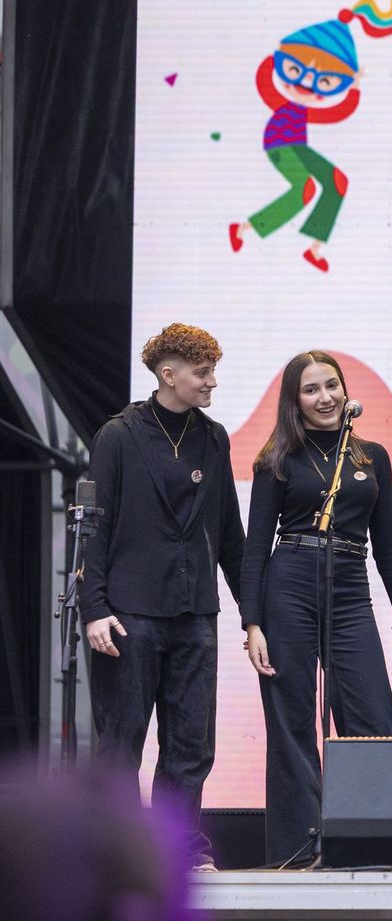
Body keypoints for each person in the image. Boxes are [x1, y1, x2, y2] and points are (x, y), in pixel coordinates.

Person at [80, 323, 245, 870]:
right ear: (168, 375)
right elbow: (95, 528)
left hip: (194, 612)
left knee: (190, 745)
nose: (212, 382)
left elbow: (230, 534)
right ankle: (121, 856)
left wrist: (253, 614)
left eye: (213, 372)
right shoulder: (118, 437)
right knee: (121, 741)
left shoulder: (214, 438)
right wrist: (94, 608)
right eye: (203, 373)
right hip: (129, 613)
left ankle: (178, 850)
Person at [239, 350, 392, 865]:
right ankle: (297, 848)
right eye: (311, 389)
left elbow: (390, 548)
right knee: (291, 718)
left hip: (351, 586)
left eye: (331, 385)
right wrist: (252, 623)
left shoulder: (371, 456)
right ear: (294, 401)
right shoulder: (277, 459)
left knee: (371, 715)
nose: (325, 397)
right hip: (289, 582)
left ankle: (370, 844)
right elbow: (255, 547)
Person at [227, 0, 392, 272]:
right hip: (279, 145)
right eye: (295, 70)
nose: (306, 83)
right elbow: (264, 83)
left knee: (337, 182)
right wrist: (273, 56)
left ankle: (314, 248)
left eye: (324, 81)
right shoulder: (282, 103)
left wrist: (355, 89)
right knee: (305, 189)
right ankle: (244, 228)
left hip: (298, 147)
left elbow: (337, 112)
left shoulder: (307, 111)